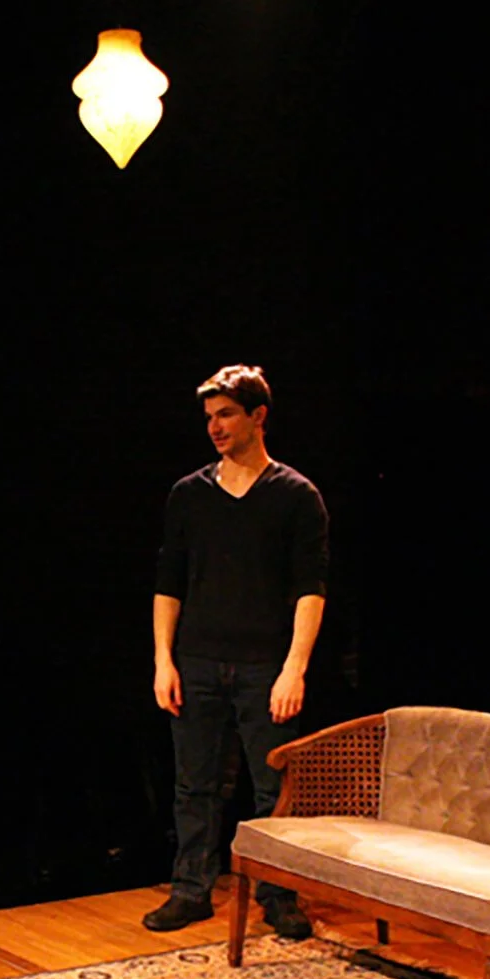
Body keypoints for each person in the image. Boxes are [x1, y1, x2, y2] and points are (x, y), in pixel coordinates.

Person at [146, 364, 328, 938]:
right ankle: (191, 890)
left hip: (263, 666)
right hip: (197, 660)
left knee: (273, 788)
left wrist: (293, 668)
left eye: (226, 414)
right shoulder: (189, 495)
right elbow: (168, 582)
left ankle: (278, 894)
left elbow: (310, 589)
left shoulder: (296, 496)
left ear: (258, 417)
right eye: (209, 418)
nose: (216, 428)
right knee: (194, 783)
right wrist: (163, 660)